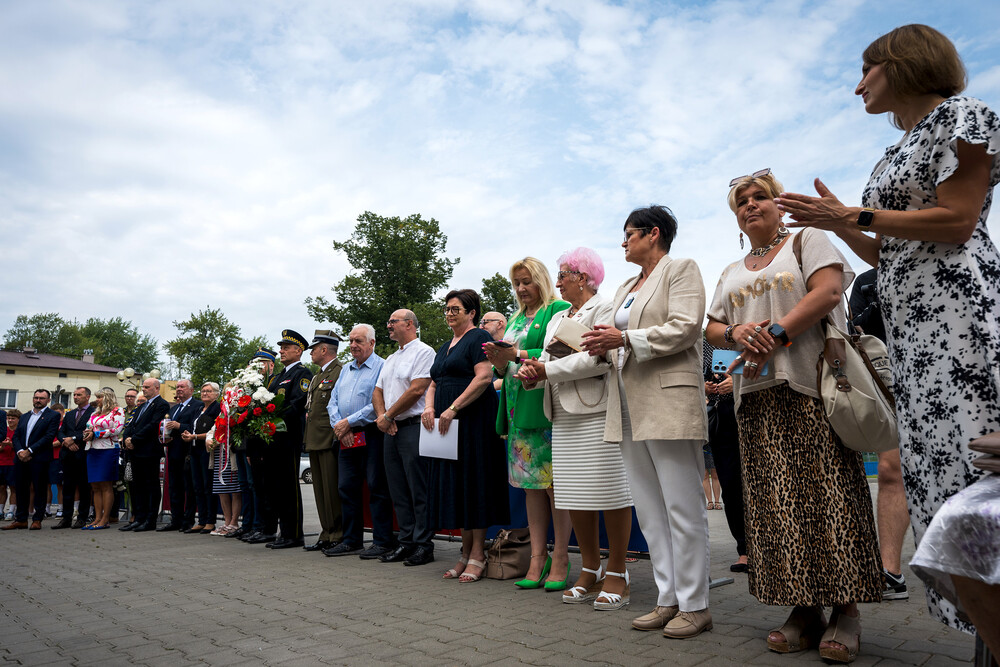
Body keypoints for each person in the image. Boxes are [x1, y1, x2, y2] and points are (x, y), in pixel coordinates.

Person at [774, 24, 1000, 641]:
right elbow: (890, 252)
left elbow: (956, 221)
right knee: (937, 488)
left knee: (974, 482)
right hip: (916, 336)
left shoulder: (963, 115)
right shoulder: (895, 150)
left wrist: (851, 213)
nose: (856, 86)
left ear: (900, 64)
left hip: (960, 326)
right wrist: (842, 223)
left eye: (865, 70)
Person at [706, 172, 881, 661]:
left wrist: (776, 335)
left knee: (829, 496)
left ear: (779, 204)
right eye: (741, 201)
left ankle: (846, 609)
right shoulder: (730, 270)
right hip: (755, 398)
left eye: (760, 196)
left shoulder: (807, 239)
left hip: (812, 388)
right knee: (775, 506)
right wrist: (738, 333)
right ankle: (803, 607)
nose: (751, 205)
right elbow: (712, 326)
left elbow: (826, 293)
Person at [580, 206, 712, 639]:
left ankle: (695, 604)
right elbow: (610, 337)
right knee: (651, 513)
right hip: (627, 405)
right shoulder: (625, 287)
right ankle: (667, 598)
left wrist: (624, 338)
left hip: (668, 402)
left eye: (629, 234)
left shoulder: (681, 269)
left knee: (682, 507)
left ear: (653, 234)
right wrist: (594, 347)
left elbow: (687, 327)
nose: (623, 243)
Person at [515, 247, 634, 607]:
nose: (559, 280)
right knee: (573, 495)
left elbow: (599, 359)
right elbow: (550, 360)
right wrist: (530, 372)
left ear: (583, 277)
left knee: (610, 492)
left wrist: (545, 369)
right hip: (563, 414)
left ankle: (617, 571)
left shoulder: (606, 307)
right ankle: (591, 567)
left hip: (598, 411)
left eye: (564, 273)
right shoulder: (558, 317)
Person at [483, 258, 572, 590]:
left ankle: (561, 556)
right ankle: (538, 556)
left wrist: (515, 354)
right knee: (530, 488)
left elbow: (560, 351)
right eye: (517, 283)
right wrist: (498, 360)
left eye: (527, 281)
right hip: (516, 409)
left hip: (546, 409)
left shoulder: (558, 308)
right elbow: (506, 366)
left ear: (541, 280)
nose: (521, 288)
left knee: (554, 487)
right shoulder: (517, 317)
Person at [424, 289, 510, 582]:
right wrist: (429, 407)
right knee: (457, 485)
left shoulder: (479, 338)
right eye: (447, 309)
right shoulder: (445, 345)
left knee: (475, 484)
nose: (449, 313)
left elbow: (485, 377)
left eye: (455, 309)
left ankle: (478, 555)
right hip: (448, 424)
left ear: (471, 313)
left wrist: (453, 408)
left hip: (473, 420)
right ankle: (464, 552)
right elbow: (435, 381)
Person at [847, 270, 909, 600]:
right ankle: (891, 570)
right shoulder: (866, 281)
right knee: (889, 469)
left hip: (944, 372)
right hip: (888, 380)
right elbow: (857, 330)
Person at [325, 326, 397, 560]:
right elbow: (332, 402)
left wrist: (349, 422)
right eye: (351, 340)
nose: (353, 345)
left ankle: (383, 541)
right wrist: (341, 425)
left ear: (372, 343)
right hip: (346, 435)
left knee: (377, 487)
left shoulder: (383, 366)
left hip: (372, 432)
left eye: (358, 341)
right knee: (346, 487)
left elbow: (381, 402)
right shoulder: (345, 369)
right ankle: (351, 541)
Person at [373, 309, 437, 566]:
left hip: (412, 427)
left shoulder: (424, 352)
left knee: (417, 488)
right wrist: (383, 418)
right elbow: (377, 391)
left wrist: (388, 416)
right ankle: (407, 542)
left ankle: (424, 545)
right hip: (391, 428)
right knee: (398, 489)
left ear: (409, 324)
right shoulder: (390, 358)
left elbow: (418, 388)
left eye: (393, 321)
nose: (388, 325)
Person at [264, 329, 313, 550]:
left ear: (298, 350)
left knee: (289, 487)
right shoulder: (277, 377)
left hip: (288, 437)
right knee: (276, 487)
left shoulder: (302, 374)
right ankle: (283, 532)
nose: (281, 351)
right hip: (273, 438)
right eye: (281, 347)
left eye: (285, 347)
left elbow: (297, 403)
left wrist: (273, 418)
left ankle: (294, 534)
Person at [702, 342, 747, 574]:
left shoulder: (751, 334)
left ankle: (768, 548)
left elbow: (775, 364)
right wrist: (707, 387)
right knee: (730, 487)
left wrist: (739, 381)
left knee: (759, 485)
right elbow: (700, 377)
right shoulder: (706, 344)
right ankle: (744, 550)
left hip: (752, 414)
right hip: (723, 420)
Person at [300, 331, 344, 553]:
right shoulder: (318, 376)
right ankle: (326, 532)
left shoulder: (340, 372)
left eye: (313, 349)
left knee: (331, 489)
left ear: (324, 349)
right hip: (315, 439)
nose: (311, 353)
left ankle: (337, 533)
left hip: (329, 439)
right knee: (319, 490)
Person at [2, 390, 60, 530]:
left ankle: (37, 519)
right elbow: (16, 436)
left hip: (39, 458)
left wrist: (30, 451)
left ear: (48, 400)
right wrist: (21, 451)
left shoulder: (53, 416)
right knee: (21, 488)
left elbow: (48, 436)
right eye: (36, 397)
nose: (38, 400)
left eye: (41, 398)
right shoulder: (25, 416)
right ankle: (21, 519)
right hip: (21, 458)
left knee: (39, 489)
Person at [238, 348, 278, 542]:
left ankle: (265, 527)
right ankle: (257, 526)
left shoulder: (272, 384)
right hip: (252, 446)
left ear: (271, 365)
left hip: (267, 445)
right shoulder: (250, 387)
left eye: (261, 363)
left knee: (265, 488)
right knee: (255, 487)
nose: (257, 366)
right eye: (255, 362)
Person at [120, 378, 169, 532]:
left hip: (149, 451)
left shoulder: (161, 404)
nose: (144, 389)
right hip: (135, 450)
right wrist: (127, 438)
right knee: (137, 486)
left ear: (156, 388)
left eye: (147, 387)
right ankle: (139, 517)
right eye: (143, 387)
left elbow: (153, 425)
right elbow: (131, 423)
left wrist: (134, 439)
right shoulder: (142, 405)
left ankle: (150, 519)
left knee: (151, 486)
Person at [159, 379, 203, 532]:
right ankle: (175, 519)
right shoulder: (174, 408)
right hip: (173, 450)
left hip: (188, 452)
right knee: (174, 487)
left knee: (188, 487)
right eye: (177, 387)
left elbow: (196, 426)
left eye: (182, 387)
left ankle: (188, 520)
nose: (179, 389)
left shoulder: (198, 406)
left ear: (191, 390)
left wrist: (179, 426)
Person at [181, 383, 222, 534]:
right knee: (197, 486)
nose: (205, 393)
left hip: (207, 450)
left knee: (207, 486)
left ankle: (210, 521)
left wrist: (195, 436)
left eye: (209, 391)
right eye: (203, 391)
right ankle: (202, 520)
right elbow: (192, 427)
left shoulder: (217, 409)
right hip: (194, 449)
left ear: (217, 394)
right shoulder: (198, 409)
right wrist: (187, 435)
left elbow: (217, 430)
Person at [82, 388, 124, 529]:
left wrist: (96, 434)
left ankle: (106, 519)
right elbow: (88, 426)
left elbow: (117, 430)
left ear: (107, 397)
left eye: (99, 397)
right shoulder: (95, 412)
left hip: (108, 449)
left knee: (106, 485)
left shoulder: (117, 411)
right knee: (95, 486)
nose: (97, 400)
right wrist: (88, 433)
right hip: (93, 449)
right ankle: (97, 518)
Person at [54, 387, 94, 529]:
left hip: (83, 454)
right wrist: (66, 441)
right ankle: (66, 518)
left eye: (79, 395)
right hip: (68, 455)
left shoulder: (93, 413)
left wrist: (74, 439)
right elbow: (61, 431)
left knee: (84, 487)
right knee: (67, 488)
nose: (76, 397)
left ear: (87, 397)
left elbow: (90, 431)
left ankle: (82, 517)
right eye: (75, 395)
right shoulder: (70, 414)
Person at [207, 393, 241, 536]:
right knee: (222, 490)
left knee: (235, 490)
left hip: (231, 457)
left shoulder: (237, 413)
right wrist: (209, 440)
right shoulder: (221, 414)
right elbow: (212, 431)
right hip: (219, 458)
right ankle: (226, 522)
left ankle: (234, 522)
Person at [0, 410, 17, 520]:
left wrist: (10, 444)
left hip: (13, 463)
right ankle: (1, 510)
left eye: (13, 418)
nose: (10, 420)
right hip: (1, 462)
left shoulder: (19, 431)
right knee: (1, 487)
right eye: (9, 418)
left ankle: (11, 510)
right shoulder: (3, 431)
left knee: (13, 488)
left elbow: (21, 447)